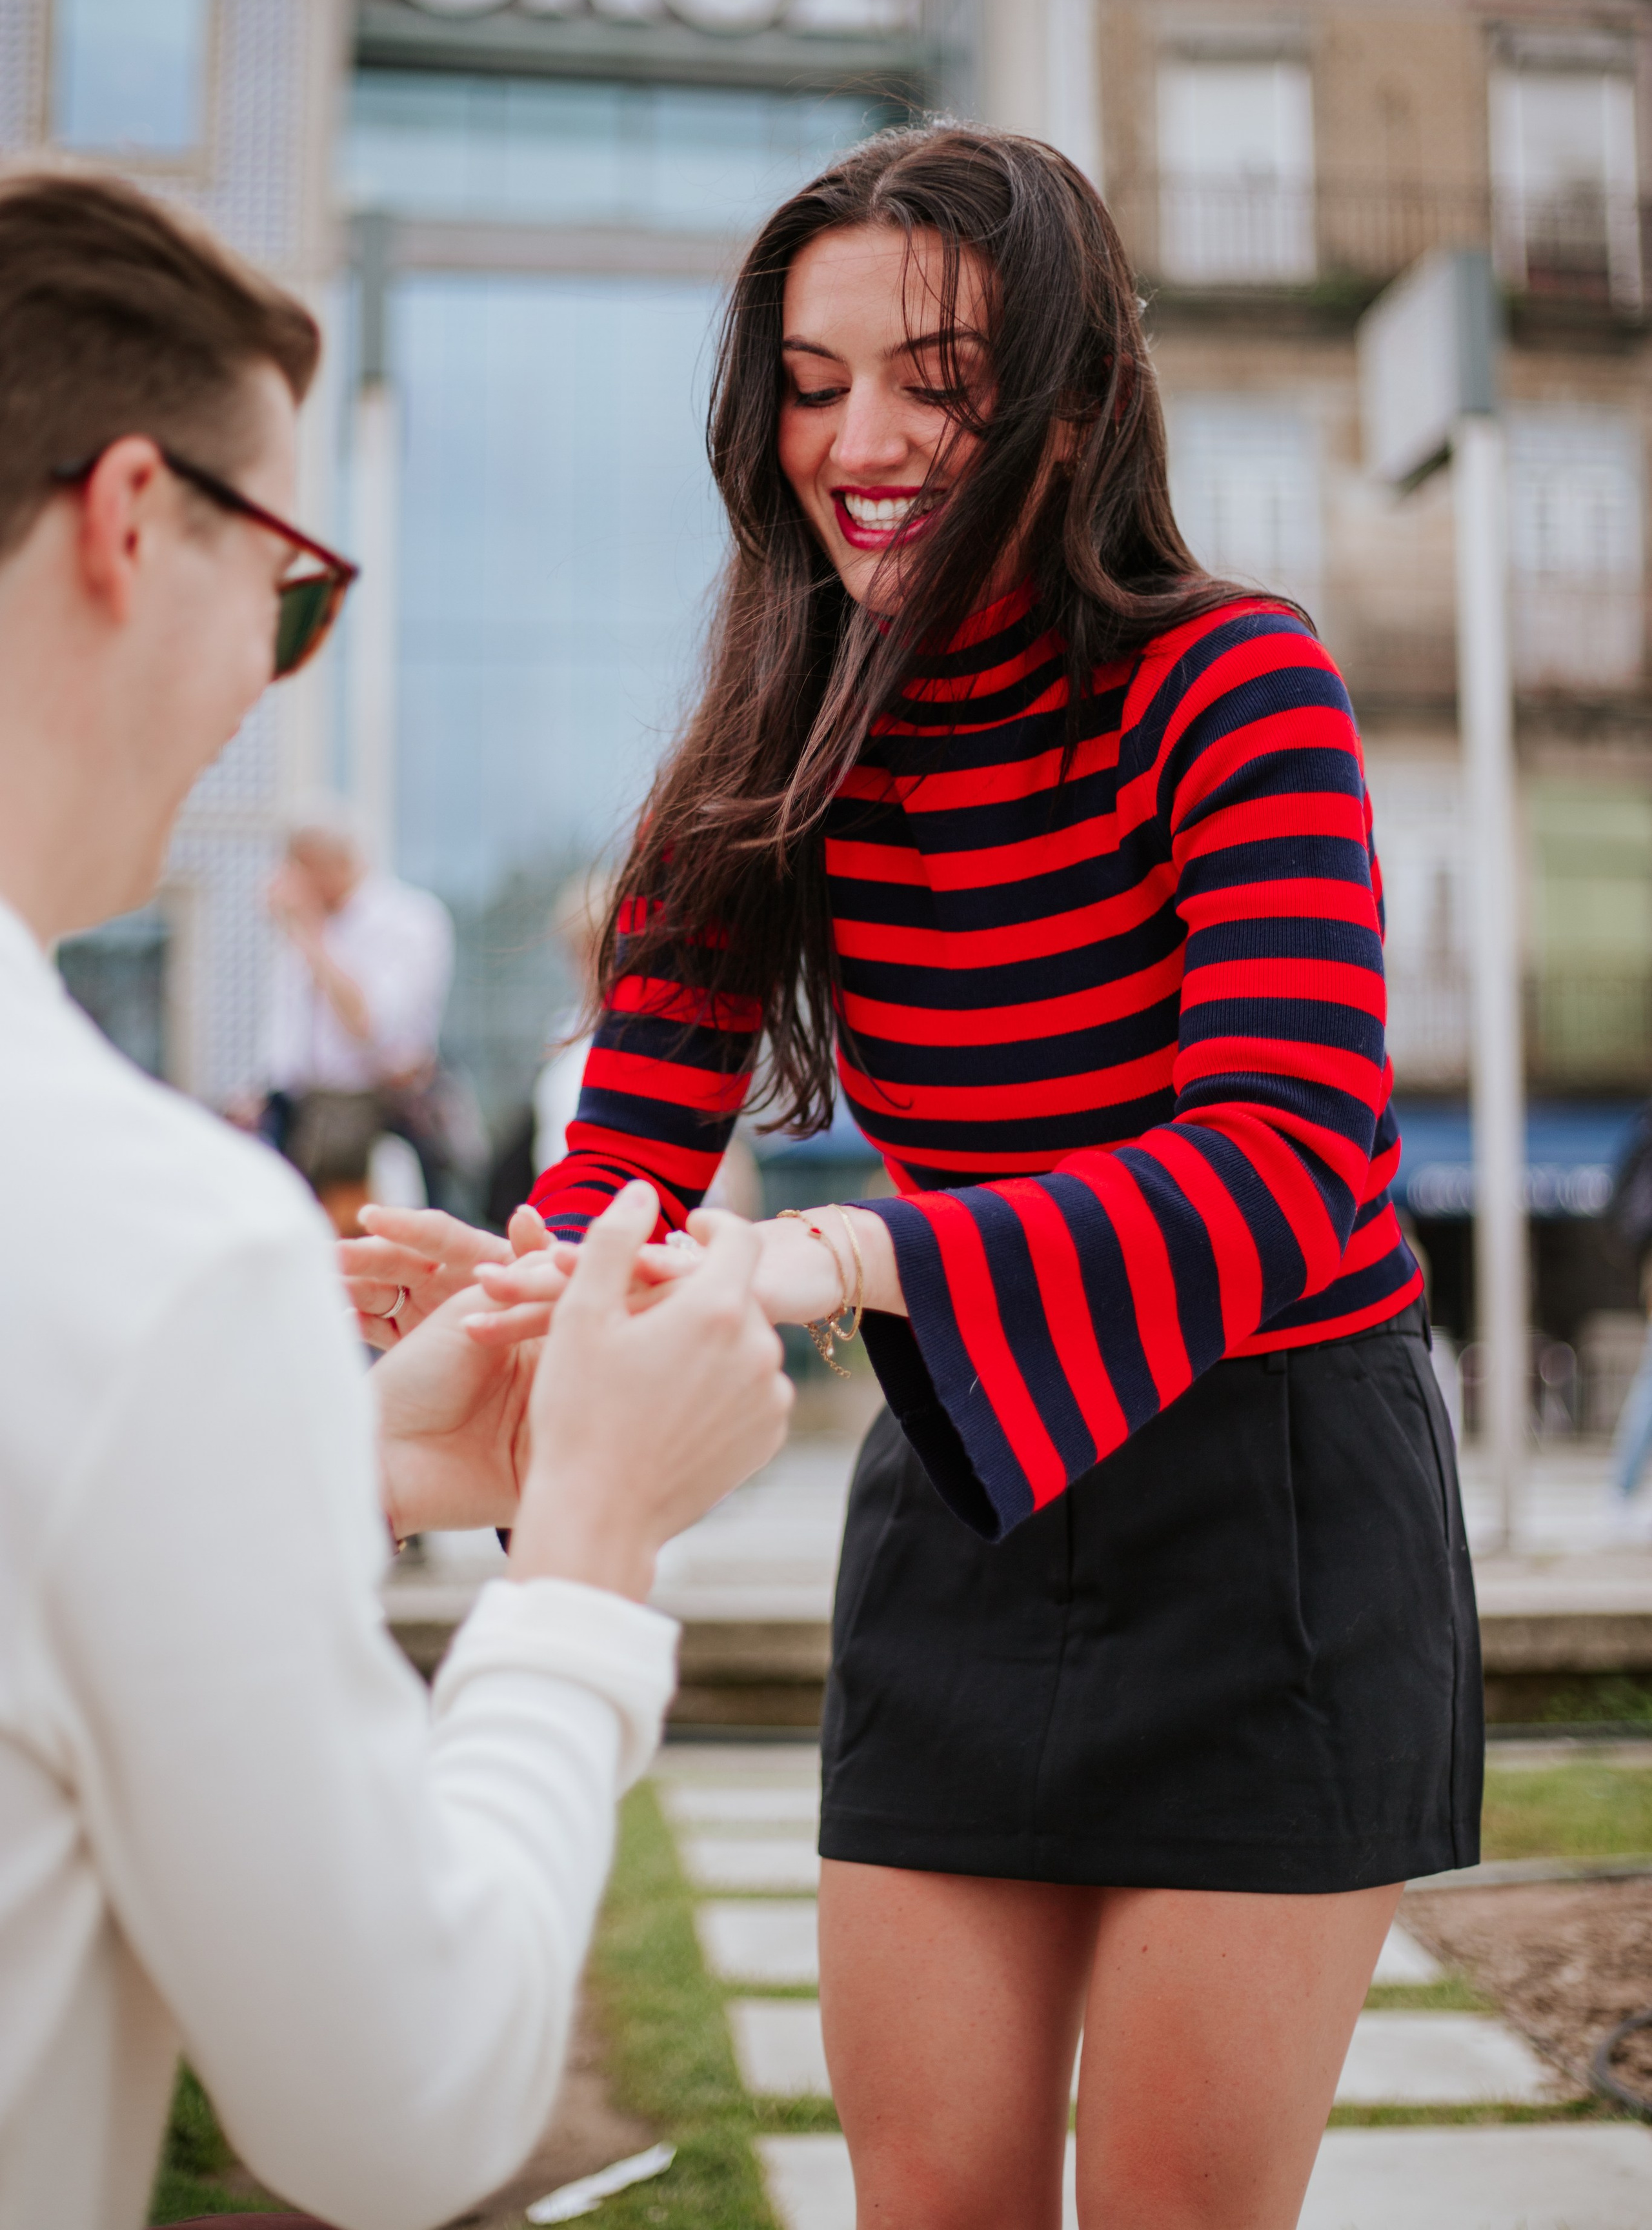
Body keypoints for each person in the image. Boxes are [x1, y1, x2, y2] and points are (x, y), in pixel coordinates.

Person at [343, 124, 1482, 2230]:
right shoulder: (759, 755)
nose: (860, 439)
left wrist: (831, 1252)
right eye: (811, 378)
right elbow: (622, 1173)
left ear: (1069, 393)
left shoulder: (1240, 685)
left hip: (1278, 1516)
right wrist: (513, 1297)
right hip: (972, 1492)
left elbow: (1285, 1153)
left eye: (936, 380)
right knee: (929, 2201)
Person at [0, 168, 792, 2230]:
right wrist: (591, 1541)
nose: (277, 665)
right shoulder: (146, 1235)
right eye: (298, 587)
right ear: (124, 521)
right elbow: (403, 2108)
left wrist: (317, 1472)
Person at [246, 794, 456, 1232]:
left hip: (376, 1122)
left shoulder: (409, 920)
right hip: (303, 1119)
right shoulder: (310, 926)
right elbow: (289, 1035)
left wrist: (310, 936)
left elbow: (370, 1025)